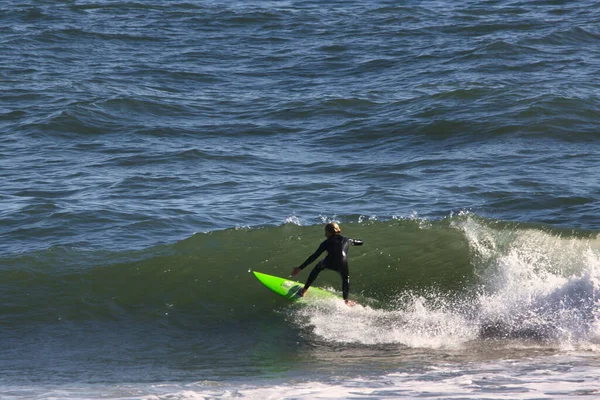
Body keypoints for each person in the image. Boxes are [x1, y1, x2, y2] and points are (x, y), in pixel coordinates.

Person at [291, 222, 363, 305]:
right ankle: (346, 301)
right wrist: (354, 242)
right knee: (346, 278)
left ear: (330, 232)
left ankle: (303, 291)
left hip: (329, 262)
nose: (325, 234)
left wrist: (300, 268)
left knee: (317, 267)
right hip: (342, 263)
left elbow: (314, 256)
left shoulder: (326, 243)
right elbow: (360, 242)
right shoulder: (347, 240)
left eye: (326, 232)